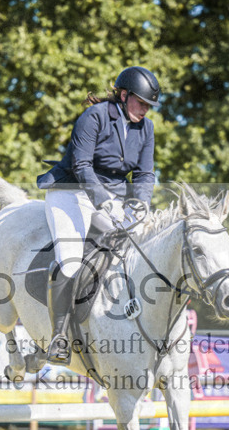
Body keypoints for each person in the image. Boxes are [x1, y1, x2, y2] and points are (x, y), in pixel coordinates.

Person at [36, 65, 161, 364]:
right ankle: (59, 337)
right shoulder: (94, 117)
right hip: (71, 192)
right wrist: (103, 199)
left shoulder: (147, 129)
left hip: (112, 198)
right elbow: (81, 166)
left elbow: (144, 174)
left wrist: (141, 205)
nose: (145, 109)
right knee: (70, 259)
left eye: (148, 105)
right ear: (123, 94)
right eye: (141, 102)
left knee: (139, 247)